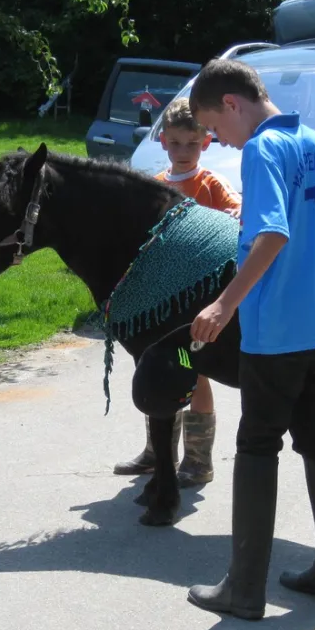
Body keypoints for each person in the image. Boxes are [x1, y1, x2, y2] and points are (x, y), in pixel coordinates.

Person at [184, 58, 315, 620]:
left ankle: (244, 590)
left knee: (258, 445)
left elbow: (273, 232)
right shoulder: (313, 142)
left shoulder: (261, 150)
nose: (219, 141)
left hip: (275, 328)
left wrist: (224, 302)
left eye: (214, 127)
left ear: (232, 103)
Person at [114, 97, 241, 488]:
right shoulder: (154, 187)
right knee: (153, 371)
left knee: (195, 374)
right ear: (163, 141)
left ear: (205, 143)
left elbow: (236, 219)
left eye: (191, 144)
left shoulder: (212, 186)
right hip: (159, 302)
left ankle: (199, 460)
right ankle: (158, 452)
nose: (182, 152)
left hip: (197, 304)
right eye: (175, 144)